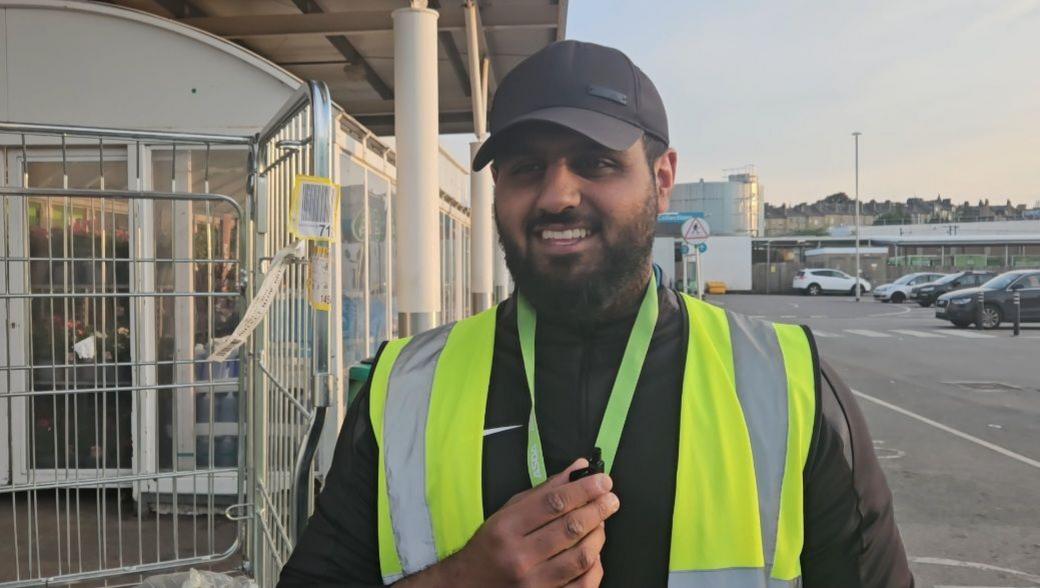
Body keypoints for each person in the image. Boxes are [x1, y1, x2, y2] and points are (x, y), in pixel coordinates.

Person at [279, 40, 914, 588]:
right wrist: (462, 578)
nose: (557, 194)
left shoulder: (788, 385)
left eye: (597, 161)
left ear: (663, 178)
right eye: (527, 167)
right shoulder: (403, 390)